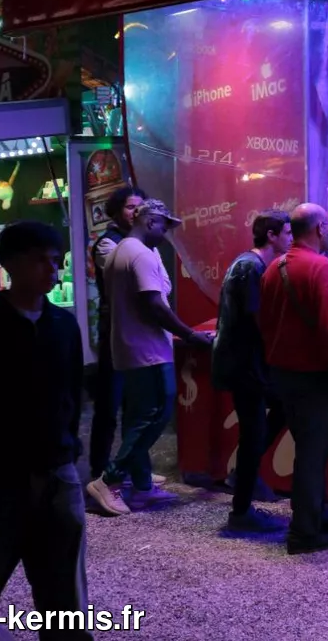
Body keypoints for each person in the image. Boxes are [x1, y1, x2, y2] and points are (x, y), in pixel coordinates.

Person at [0, 221, 91, 639]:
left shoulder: (63, 325)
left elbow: (72, 393)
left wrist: (68, 449)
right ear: (12, 264)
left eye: (56, 261)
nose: (52, 270)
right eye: (41, 261)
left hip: (57, 469)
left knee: (64, 586)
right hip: (1, 476)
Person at [85, 199, 212, 517]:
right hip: (149, 350)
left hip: (130, 347)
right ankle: (109, 479)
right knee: (156, 412)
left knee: (137, 417)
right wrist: (190, 335)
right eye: (164, 226)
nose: (165, 233)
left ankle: (142, 485)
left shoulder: (121, 250)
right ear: (151, 221)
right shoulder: (140, 254)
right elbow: (154, 305)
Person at [260, 203, 328, 555]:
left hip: (284, 375)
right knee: (313, 454)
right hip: (315, 376)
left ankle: (317, 514)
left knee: (307, 448)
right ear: (319, 229)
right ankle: (304, 532)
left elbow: (265, 323)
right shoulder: (322, 268)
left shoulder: (274, 267)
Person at [212, 210, 292, 531]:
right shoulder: (251, 267)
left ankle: (244, 478)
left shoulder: (250, 264)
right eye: (287, 232)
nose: (291, 238)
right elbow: (259, 320)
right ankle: (241, 510)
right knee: (254, 432)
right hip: (245, 365)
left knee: (276, 411)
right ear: (271, 236)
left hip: (247, 363)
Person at [88, 184, 146, 501]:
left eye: (140, 207)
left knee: (135, 404)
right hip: (115, 330)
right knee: (109, 404)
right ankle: (99, 471)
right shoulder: (108, 244)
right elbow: (131, 278)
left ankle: (134, 469)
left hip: (135, 329)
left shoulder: (137, 241)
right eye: (130, 206)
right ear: (116, 211)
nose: (136, 212)